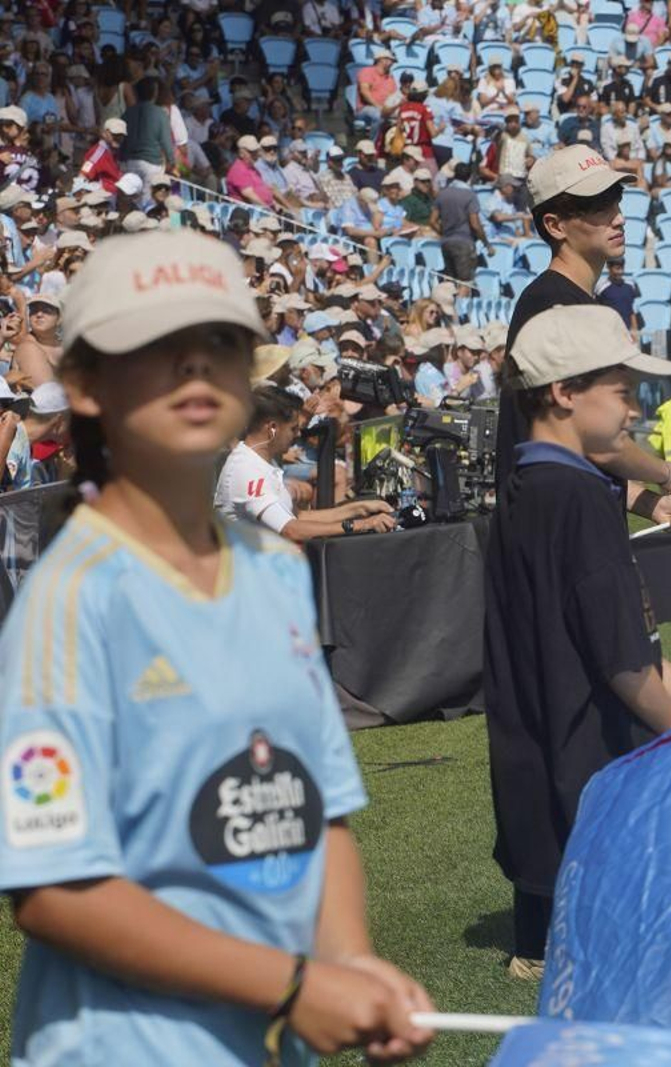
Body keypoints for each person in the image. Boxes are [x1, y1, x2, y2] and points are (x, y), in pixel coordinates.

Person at [0, 229, 435, 1066]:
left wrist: (347, 961)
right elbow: (53, 888)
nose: (196, 366)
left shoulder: (274, 571)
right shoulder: (68, 600)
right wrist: (293, 983)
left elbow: (320, 808)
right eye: (158, 346)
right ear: (84, 383)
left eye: (222, 342)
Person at [485, 303, 671, 982]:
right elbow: (625, 665)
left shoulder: (528, 488)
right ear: (564, 393)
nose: (633, 411)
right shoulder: (581, 501)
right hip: (592, 779)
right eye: (622, 391)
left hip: (543, 777)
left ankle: (536, 948)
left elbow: (629, 647)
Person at [498, 146, 671, 512]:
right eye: (598, 208)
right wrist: (664, 472)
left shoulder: (568, 300)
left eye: (616, 203)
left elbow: (583, 451)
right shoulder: (554, 305)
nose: (618, 219)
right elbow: (603, 441)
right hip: (557, 531)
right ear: (555, 225)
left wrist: (651, 505)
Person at [216, 384, 398, 540]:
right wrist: (363, 524)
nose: (298, 434)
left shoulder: (261, 460)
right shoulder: (247, 471)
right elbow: (291, 529)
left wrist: (359, 508)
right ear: (272, 429)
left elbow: (299, 516)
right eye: (294, 428)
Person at [596, 258, 643, 339]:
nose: (620, 272)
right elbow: (597, 311)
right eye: (617, 269)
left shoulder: (630, 286)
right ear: (609, 268)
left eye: (622, 268)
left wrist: (634, 331)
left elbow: (632, 310)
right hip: (609, 332)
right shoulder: (601, 288)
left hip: (627, 332)